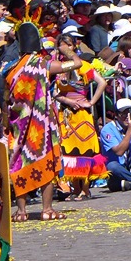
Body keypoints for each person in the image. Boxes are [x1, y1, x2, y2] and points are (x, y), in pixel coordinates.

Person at [4, 22, 81, 221]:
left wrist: (6, 124)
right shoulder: (42, 64)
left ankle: (21, 212)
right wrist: (68, 52)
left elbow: (5, 101)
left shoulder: (10, 69)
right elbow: (76, 64)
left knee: (19, 163)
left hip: (19, 125)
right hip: (41, 124)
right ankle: (47, 209)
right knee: (46, 161)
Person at [55, 34, 108, 201]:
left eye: (68, 45)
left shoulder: (83, 66)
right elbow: (51, 90)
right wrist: (66, 100)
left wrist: (91, 102)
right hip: (66, 114)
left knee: (83, 151)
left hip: (82, 114)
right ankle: (75, 188)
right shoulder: (57, 67)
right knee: (70, 151)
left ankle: (85, 189)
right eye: (62, 45)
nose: (65, 48)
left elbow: (102, 82)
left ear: (74, 47)